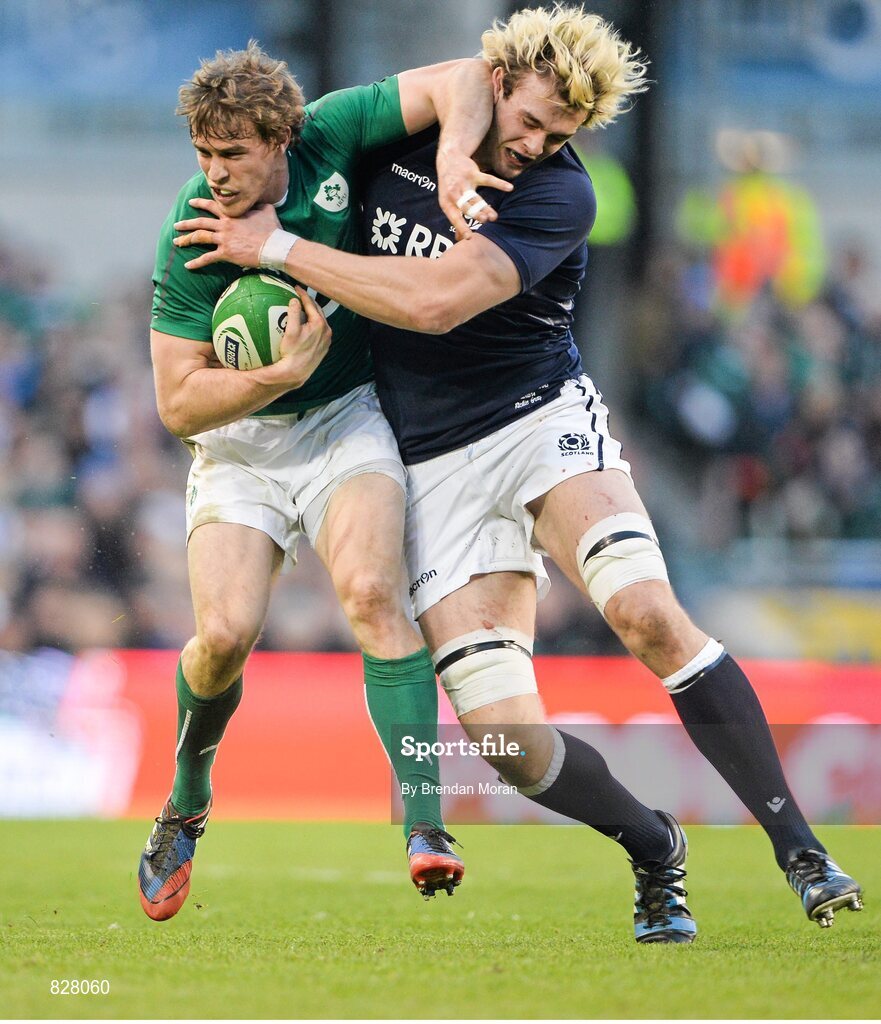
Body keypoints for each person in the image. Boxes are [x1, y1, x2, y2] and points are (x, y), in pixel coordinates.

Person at [174, 7, 863, 940]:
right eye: (529, 122)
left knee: (646, 613)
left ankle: (801, 852)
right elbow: (455, 73)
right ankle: (653, 846)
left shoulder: (560, 196)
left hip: (536, 419)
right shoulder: (407, 133)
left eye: (560, 136)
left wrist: (282, 251)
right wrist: (454, 154)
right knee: (505, 744)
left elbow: (429, 303)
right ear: (496, 86)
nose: (537, 147)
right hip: (426, 465)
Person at [138, 41, 519, 922]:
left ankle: (426, 828)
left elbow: (469, 73)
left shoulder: (333, 131)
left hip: (344, 418)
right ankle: (185, 801)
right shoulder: (189, 228)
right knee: (224, 636)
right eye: (203, 154)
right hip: (240, 443)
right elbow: (176, 404)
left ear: (281, 138)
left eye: (232, 154)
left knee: (373, 593)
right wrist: (272, 379)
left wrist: (455, 156)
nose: (215, 175)